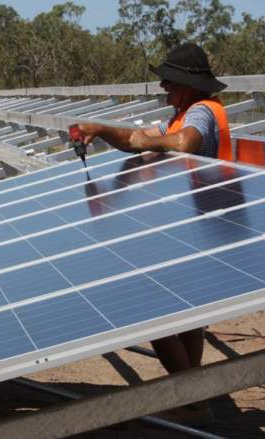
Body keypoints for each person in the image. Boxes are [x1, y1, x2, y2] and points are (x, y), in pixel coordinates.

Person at [71, 43, 230, 387]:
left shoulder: (202, 111)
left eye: (168, 82)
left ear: (186, 84)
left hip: (202, 225)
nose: (163, 87)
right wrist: (97, 129)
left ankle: (190, 393)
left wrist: (148, 143)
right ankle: (192, 395)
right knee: (188, 316)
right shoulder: (181, 115)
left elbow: (185, 143)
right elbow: (135, 139)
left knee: (152, 311)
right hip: (197, 226)